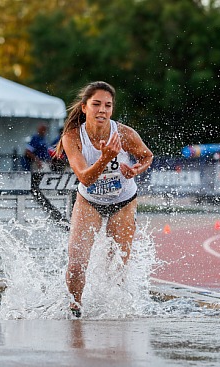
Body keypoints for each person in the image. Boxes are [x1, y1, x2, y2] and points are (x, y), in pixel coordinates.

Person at [55, 81, 153, 317]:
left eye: (108, 105)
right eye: (96, 104)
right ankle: (75, 308)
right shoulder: (72, 137)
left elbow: (147, 156)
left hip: (124, 201)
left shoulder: (124, 134)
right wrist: (105, 157)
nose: (102, 110)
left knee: (117, 265)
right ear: (84, 108)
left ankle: (114, 311)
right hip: (89, 201)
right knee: (77, 264)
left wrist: (136, 170)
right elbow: (85, 178)